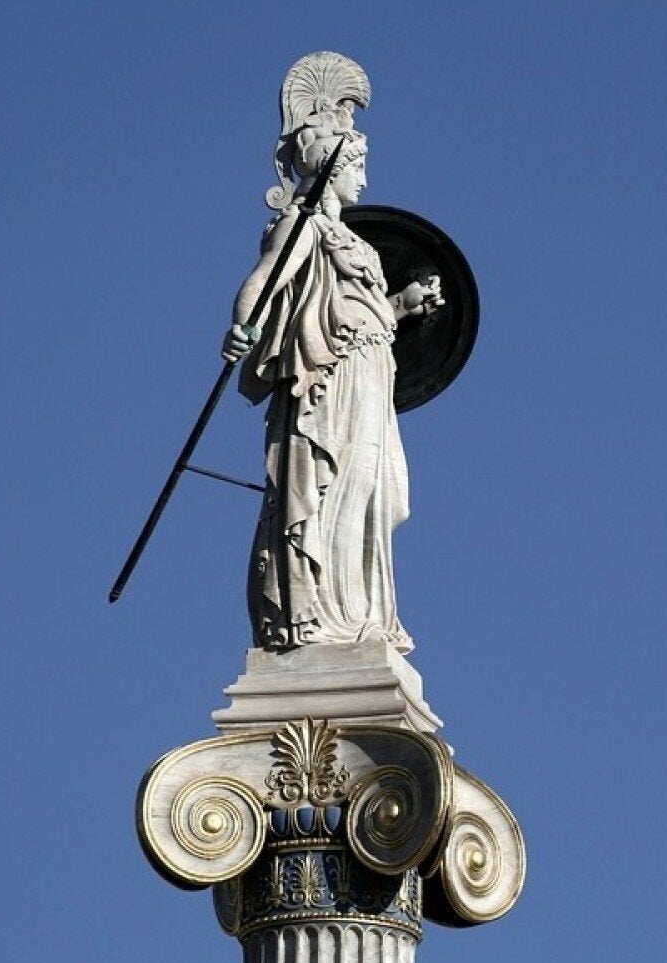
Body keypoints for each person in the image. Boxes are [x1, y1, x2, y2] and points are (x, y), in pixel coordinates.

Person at [220, 52, 442, 652]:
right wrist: (242, 327)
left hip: (369, 374)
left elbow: (357, 307)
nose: (363, 181)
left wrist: (401, 306)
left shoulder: (352, 240)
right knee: (339, 486)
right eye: (357, 167)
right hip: (331, 381)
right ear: (331, 166)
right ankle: (320, 613)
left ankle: (360, 611)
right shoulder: (305, 224)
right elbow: (263, 283)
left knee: (383, 497)